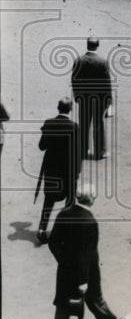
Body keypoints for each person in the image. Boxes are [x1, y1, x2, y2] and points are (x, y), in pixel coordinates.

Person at [48, 183, 125, 319]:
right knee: (94, 296)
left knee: (63, 303)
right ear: (91, 199)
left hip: (65, 269)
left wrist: (64, 261)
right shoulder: (90, 222)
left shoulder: (64, 214)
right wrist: (83, 280)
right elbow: (86, 253)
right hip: (87, 270)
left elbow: (53, 242)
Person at [35, 97, 81, 244]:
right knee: (69, 203)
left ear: (57, 108)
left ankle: (42, 229)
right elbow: (78, 153)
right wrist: (77, 172)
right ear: (71, 109)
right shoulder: (74, 127)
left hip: (52, 170)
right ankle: (68, 233)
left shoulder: (49, 124)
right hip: (68, 171)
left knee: (48, 201)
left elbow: (41, 146)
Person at [71, 37, 113, 160]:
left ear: (87, 45)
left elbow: (74, 80)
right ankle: (101, 151)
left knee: (84, 124)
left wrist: (77, 96)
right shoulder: (102, 62)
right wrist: (108, 100)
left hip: (83, 99)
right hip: (99, 100)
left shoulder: (79, 60)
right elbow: (107, 83)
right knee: (99, 124)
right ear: (97, 46)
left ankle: (83, 150)